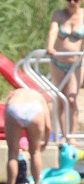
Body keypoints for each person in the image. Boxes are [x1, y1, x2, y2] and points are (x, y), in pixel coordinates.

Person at [46, 0, 84, 139]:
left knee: (72, 99)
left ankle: (71, 136)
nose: (72, 2)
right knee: (61, 99)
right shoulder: (58, 14)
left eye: (76, 0)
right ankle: (63, 135)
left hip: (76, 64)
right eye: (68, 0)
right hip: (58, 63)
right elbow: (53, 31)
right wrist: (50, 46)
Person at [4, 88, 51, 184]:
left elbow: (5, 116)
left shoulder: (13, 95)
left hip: (14, 107)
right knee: (35, 152)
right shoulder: (39, 96)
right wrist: (45, 142)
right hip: (35, 109)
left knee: (12, 154)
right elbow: (48, 126)